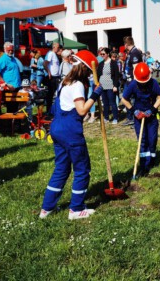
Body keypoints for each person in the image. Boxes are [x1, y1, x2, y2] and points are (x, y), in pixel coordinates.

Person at [39, 50, 103, 220]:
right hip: (70, 131)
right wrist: (95, 95)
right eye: (89, 72)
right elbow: (81, 110)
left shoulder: (64, 82)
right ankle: (76, 209)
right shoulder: (78, 85)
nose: (90, 75)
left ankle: (46, 209)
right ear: (85, 69)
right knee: (82, 169)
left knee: (61, 168)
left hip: (57, 128)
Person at [121, 63, 160, 175]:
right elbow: (124, 99)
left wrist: (152, 110)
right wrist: (134, 110)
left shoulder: (153, 83)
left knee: (152, 139)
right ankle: (144, 164)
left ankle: (152, 160)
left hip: (152, 117)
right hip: (139, 116)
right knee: (143, 140)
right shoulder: (133, 85)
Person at [122, 37, 143, 126]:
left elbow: (136, 68)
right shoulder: (130, 53)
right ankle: (130, 117)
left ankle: (136, 119)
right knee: (126, 98)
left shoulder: (134, 53)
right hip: (128, 81)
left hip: (133, 81)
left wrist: (136, 83)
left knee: (133, 100)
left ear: (126, 45)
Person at [96, 48, 120, 124]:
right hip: (102, 86)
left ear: (108, 54)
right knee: (105, 103)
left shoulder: (113, 63)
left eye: (103, 54)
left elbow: (116, 75)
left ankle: (115, 118)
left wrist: (115, 85)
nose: (102, 55)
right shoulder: (101, 64)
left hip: (110, 85)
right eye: (101, 54)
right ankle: (106, 118)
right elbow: (98, 74)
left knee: (112, 102)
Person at [43, 42, 62, 115]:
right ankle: (49, 110)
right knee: (50, 94)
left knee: (56, 94)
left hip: (56, 76)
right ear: (54, 47)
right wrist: (49, 72)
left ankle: (53, 109)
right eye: (57, 47)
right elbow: (45, 63)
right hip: (52, 77)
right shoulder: (51, 53)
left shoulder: (55, 55)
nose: (58, 48)